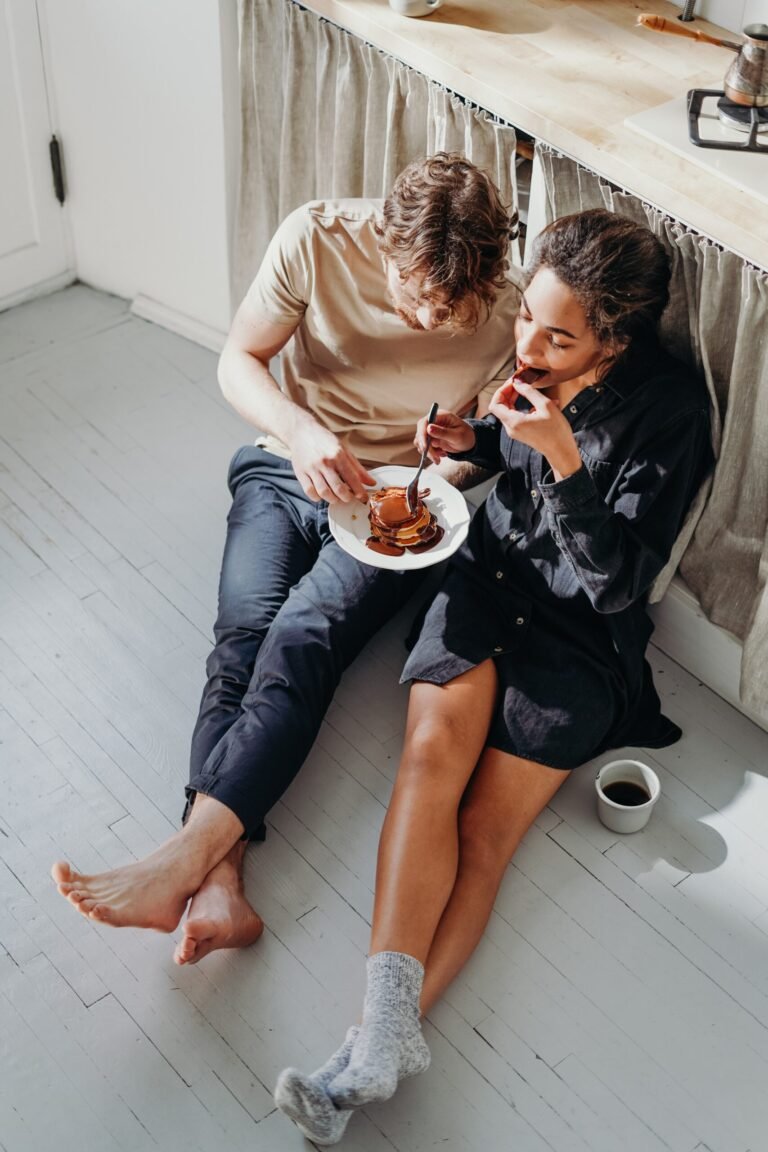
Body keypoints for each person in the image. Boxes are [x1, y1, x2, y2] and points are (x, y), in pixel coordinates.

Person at [273, 208, 713, 1144]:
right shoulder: (530, 366)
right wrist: (471, 445)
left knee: (485, 833)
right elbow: (504, 461)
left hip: (579, 639)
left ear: (615, 338)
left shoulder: (671, 413)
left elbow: (620, 584)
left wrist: (564, 462)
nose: (530, 345)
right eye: (526, 319)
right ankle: (387, 1032)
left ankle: (376, 1048)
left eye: (559, 335)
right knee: (429, 761)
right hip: (488, 579)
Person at [50, 153, 523, 964]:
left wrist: (433, 481)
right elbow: (240, 360)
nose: (425, 322)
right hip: (283, 466)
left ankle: (186, 857)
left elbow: (486, 446)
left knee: (304, 635)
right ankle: (219, 882)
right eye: (415, 298)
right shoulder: (316, 237)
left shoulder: (504, 306)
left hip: (392, 506)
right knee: (243, 632)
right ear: (384, 243)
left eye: (449, 312)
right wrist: (304, 432)